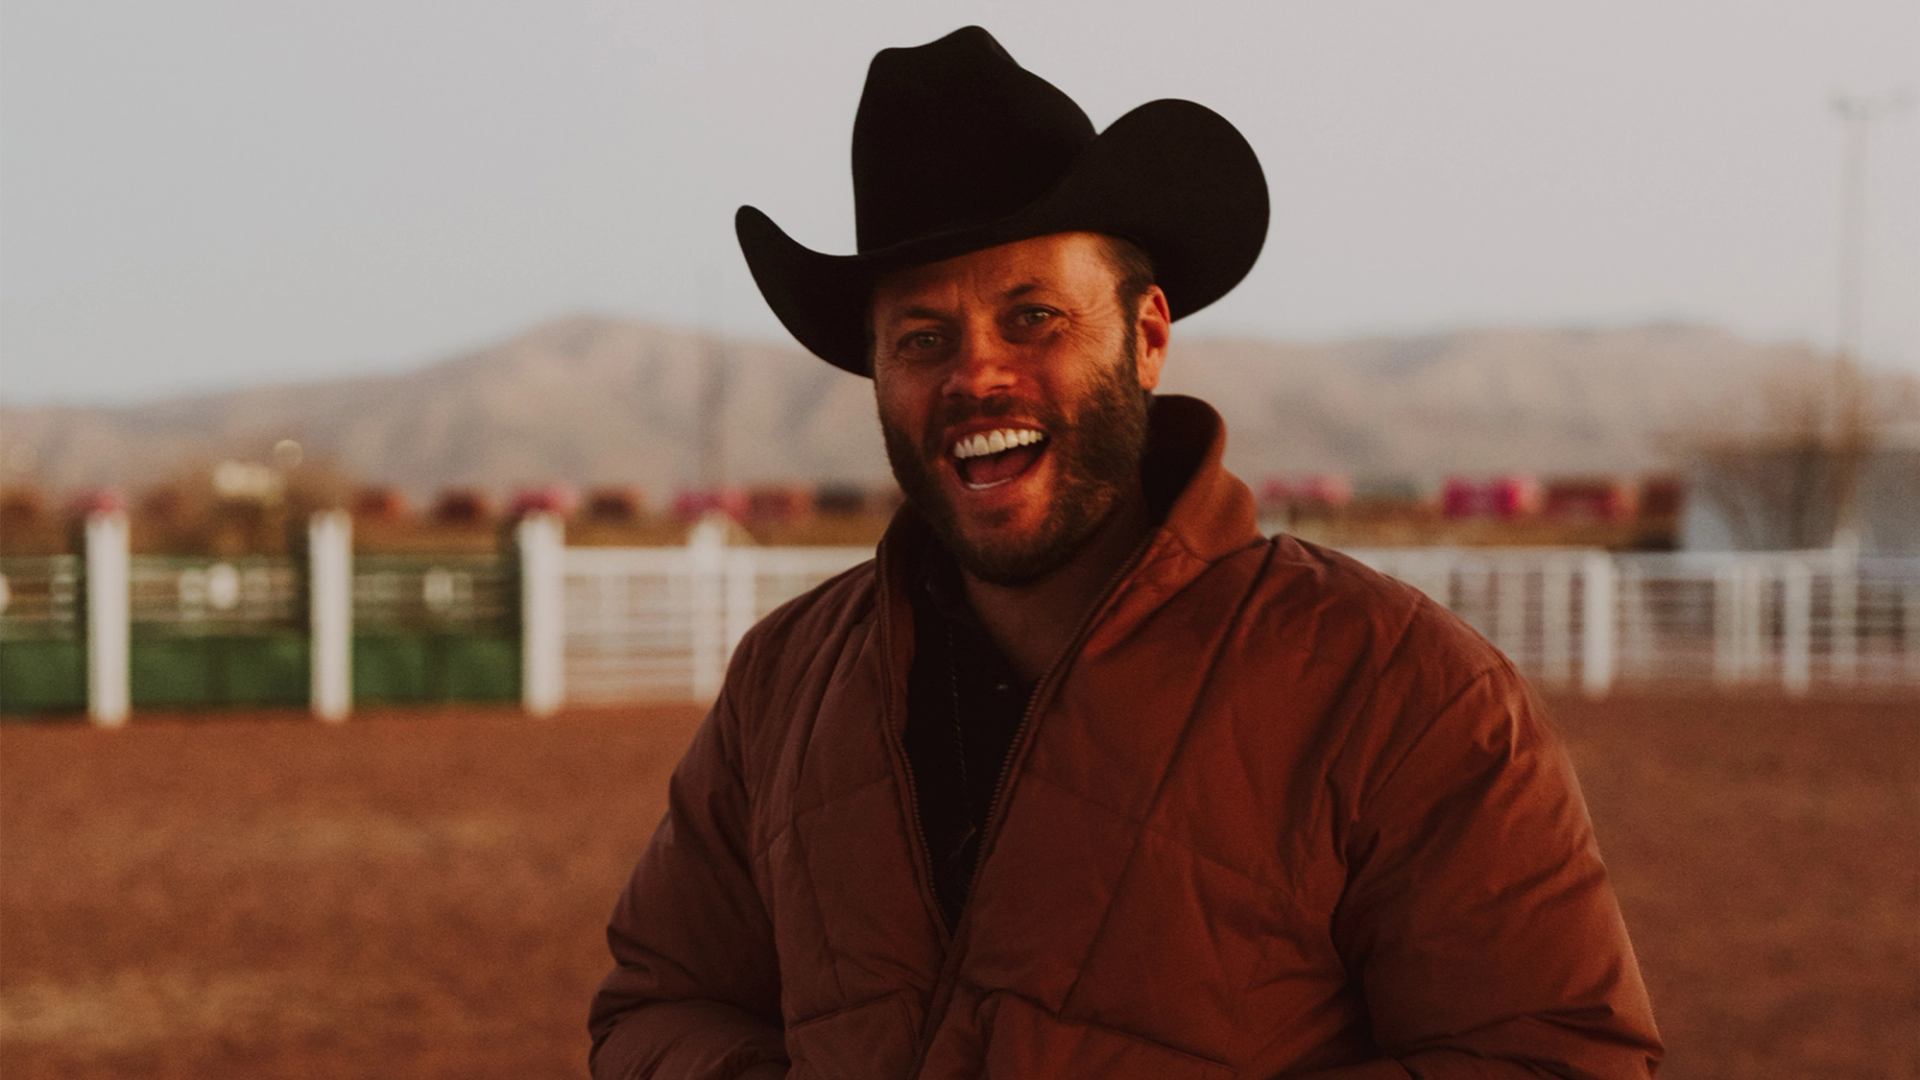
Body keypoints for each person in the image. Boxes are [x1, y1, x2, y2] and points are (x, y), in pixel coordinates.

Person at [590, 26, 1661, 1079]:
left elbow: (1556, 1053)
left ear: (1146, 335)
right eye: (923, 340)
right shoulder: (786, 685)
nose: (977, 378)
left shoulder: (1399, 689)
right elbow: (658, 1002)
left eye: (1033, 318)